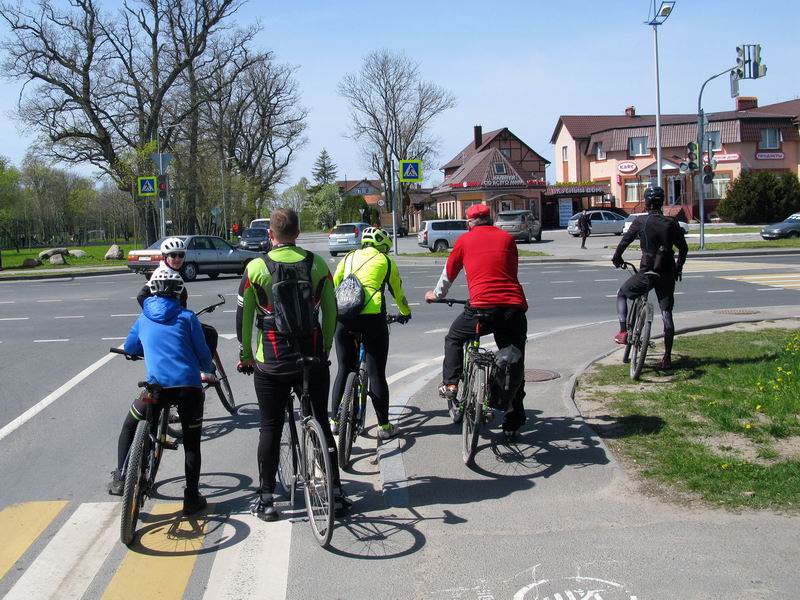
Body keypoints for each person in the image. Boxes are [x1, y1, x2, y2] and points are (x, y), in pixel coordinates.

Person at [236, 208, 344, 522]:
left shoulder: (256, 268)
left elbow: (244, 320)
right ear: (298, 233)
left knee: (270, 427)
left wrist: (245, 355)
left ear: (270, 234)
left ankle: (267, 499)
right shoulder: (317, 263)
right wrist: (323, 349)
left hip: (271, 361)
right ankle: (335, 490)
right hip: (310, 357)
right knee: (320, 421)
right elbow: (330, 313)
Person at [108, 269, 214, 515]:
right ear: (179, 293)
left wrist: (138, 351)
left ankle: (122, 476)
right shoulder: (187, 317)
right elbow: (203, 354)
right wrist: (208, 370)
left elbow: (132, 347)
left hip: (156, 390)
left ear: (152, 291)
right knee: (191, 443)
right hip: (188, 388)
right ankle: (190, 498)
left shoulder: (143, 318)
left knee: (131, 423)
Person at [424, 203, 528, 436]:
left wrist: (435, 295)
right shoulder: (507, 239)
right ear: (490, 219)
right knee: (514, 362)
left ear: (470, 222)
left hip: (483, 309)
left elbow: (449, 273)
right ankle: (513, 421)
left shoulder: (465, 240)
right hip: (513, 309)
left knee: (454, 338)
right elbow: (512, 270)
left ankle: (451, 383)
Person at [330, 227, 411, 441]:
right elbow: (398, 292)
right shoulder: (385, 261)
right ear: (383, 246)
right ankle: (384, 426)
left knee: (343, 369)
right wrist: (405, 312)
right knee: (376, 374)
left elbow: (336, 285)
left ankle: (334, 422)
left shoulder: (347, 257)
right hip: (373, 319)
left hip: (344, 316)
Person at [612, 186, 688, 370]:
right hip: (667, 272)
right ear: (661, 203)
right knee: (666, 314)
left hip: (647, 272)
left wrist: (617, 258)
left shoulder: (640, 221)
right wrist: (678, 268)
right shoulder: (672, 223)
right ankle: (667, 357)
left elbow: (625, 241)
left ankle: (623, 331)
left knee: (622, 293)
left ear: (646, 202)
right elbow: (683, 249)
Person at [136, 237, 218, 359]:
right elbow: (141, 296)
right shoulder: (163, 274)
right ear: (165, 256)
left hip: (173, 316)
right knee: (210, 334)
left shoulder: (169, 270)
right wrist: (155, 314)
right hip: (172, 320)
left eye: (181, 255)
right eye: (173, 255)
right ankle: (206, 369)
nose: (178, 259)